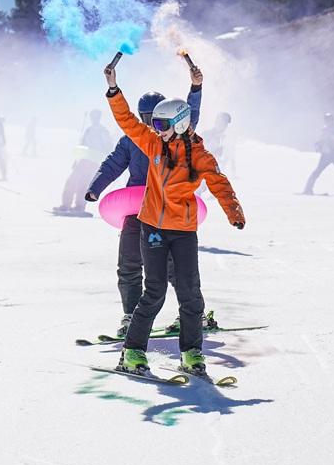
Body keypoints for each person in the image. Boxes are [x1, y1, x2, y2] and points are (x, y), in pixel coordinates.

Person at [103, 62, 245, 376]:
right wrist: (114, 89)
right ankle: (132, 352)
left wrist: (233, 212)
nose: (156, 128)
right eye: (154, 123)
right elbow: (127, 121)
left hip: (183, 231)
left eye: (162, 123)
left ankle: (192, 353)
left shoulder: (199, 155)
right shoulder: (154, 143)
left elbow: (219, 183)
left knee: (191, 294)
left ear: (180, 123)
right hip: (152, 228)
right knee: (154, 292)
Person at [85, 69, 204, 337]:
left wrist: (195, 89)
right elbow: (112, 164)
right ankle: (130, 315)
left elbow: (191, 115)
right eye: (146, 117)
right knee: (129, 261)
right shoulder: (132, 140)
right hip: (136, 209)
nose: (152, 122)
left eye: (157, 116)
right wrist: (95, 188)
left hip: (166, 210)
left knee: (173, 265)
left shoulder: (177, 136)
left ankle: (192, 312)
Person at [55, 110, 113, 215]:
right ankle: (66, 205)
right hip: (83, 159)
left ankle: (79, 206)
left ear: (99, 118)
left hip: (93, 161)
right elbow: (82, 145)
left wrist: (104, 160)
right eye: (92, 117)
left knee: (83, 183)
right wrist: (76, 160)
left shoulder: (103, 131)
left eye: (96, 117)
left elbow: (108, 147)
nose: (94, 119)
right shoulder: (88, 130)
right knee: (72, 180)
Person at [303, 113, 334, 195]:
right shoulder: (324, 129)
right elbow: (322, 139)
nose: (327, 122)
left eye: (329, 120)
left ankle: (308, 189)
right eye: (326, 120)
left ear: (332, 120)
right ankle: (308, 189)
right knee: (317, 172)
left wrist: (331, 138)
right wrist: (318, 144)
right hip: (326, 154)